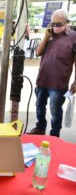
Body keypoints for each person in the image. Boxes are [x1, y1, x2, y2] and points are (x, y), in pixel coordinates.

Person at [27, 9, 76, 137]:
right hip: (42, 79)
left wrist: (75, 82)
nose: (55, 27)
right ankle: (40, 127)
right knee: (39, 106)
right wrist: (46, 37)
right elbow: (38, 52)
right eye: (53, 24)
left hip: (58, 83)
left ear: (67, 23)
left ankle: (55, 133)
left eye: (58, 24)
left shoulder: (73, 38)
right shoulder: (50, 36)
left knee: (55, 110)